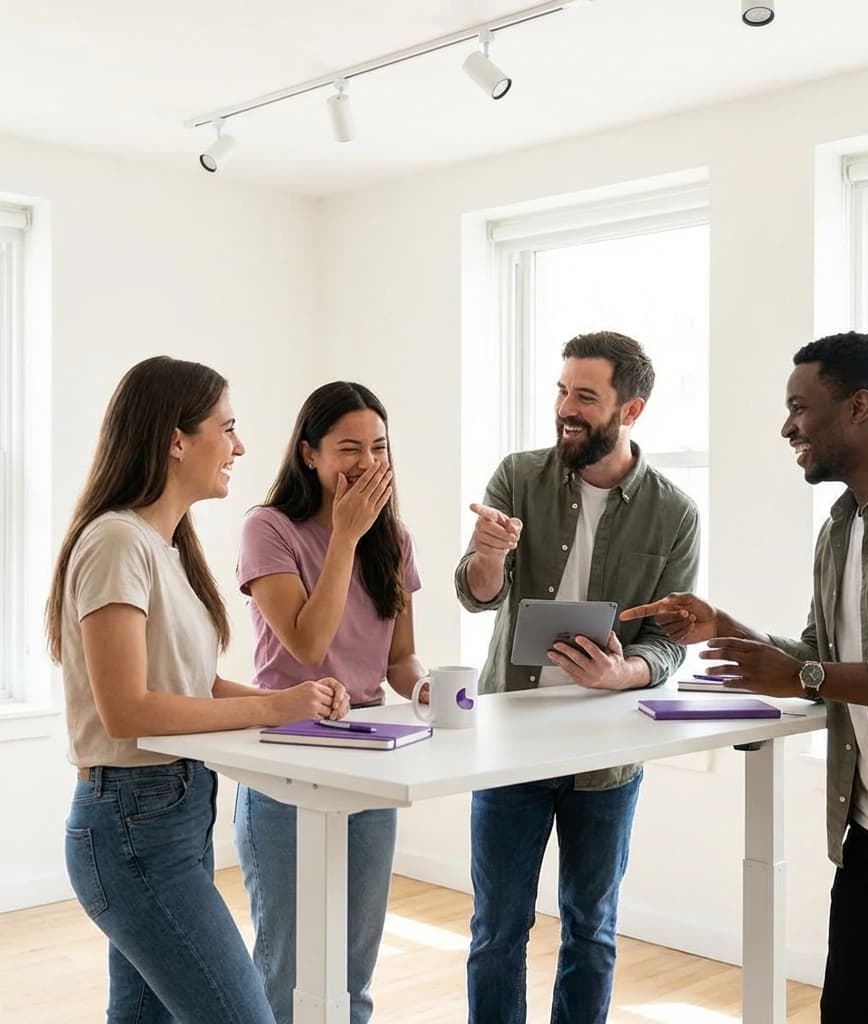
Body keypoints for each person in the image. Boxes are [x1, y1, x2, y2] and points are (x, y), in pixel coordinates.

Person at [622, 332, 868, 1024]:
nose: (788, 427)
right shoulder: (842, 527)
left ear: (860, 407)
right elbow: (818, 652)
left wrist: (804, 672)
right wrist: (725, 627)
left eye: (800, 408)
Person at [47, 356, 347, 1024]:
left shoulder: (165, 547)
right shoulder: (115, 543)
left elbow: (194, 685)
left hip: (168, 816)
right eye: (228, 428)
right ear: (176, 439)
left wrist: (304, 711)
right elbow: (126, 710)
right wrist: (276, 704)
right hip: (132, 824)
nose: (239, 446)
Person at [455, 331, 701, 1024]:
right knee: (496, 931)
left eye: (585, 396)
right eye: (563, 391)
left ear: (632, 410)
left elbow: (668, 641)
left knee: (590, 930)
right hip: (511, 743)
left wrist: (627, 671)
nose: (567, 407)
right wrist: (487, 555)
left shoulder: (675, 513)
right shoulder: (517, 476)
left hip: (605, 754)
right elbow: (478, 595)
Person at [234, 381, 426, 1024]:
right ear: (310, 454)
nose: (368, 464)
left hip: (369, 756)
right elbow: (310, 645)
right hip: (286, 754)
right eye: (350, 448)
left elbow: (399, 658)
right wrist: (344, 537)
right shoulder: (268, 529)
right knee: (286, 970)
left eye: (378, 447)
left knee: (353, 970)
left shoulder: (393, 539)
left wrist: (425, 687)